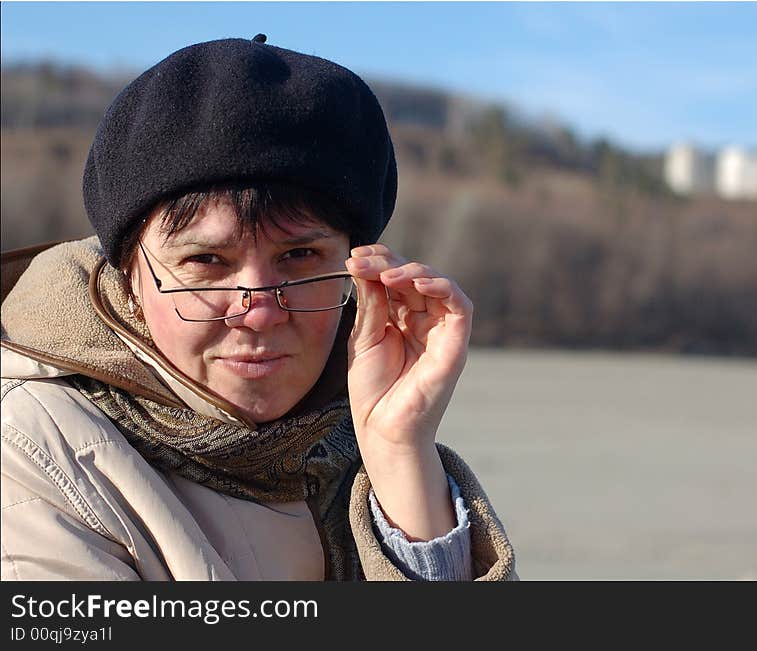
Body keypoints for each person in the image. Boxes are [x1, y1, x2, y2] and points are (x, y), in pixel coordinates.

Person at [0, 35, 515, 581]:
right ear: (129, 276)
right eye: (206, 261)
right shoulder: (34, 448)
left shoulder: (358, 429)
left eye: (299, 256)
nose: (261, 312)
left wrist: (400, 454)